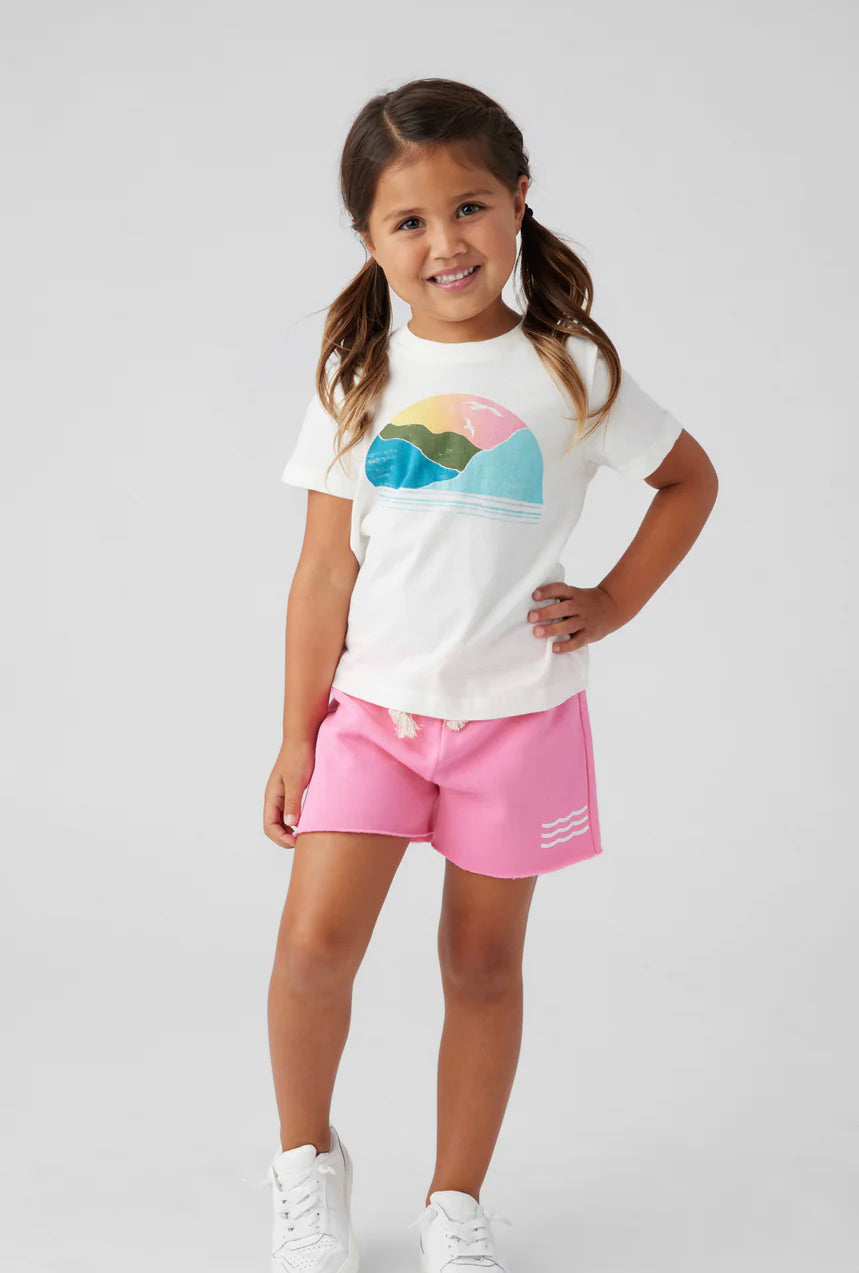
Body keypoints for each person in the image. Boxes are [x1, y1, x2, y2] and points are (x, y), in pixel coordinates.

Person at [258, 77, 718, 1273]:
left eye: (467, 207)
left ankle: (454, 1201)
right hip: (372, 717)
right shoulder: (358, 375)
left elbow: (689, 480)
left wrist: (612, 601)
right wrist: (299, 734)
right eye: (407, 221)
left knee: (480, 966)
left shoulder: (569, 371)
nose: (444, 242)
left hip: (518, 724)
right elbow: (322, 572)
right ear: (369, 239)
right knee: (312, 950)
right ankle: (305, 1166)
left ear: (518, 199)